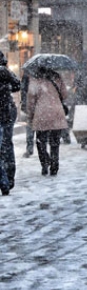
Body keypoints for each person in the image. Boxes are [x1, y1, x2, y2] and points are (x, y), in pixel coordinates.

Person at [26, 67, 69, 176]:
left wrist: (30, 115)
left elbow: (31, 101)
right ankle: (54, 166)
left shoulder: (35, 80)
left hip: (41, 114)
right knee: (55, 142)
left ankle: (45, 164)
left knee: (41, 142)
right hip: (56, 113)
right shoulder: (57, 78)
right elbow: (65, 95)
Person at [0, 52, 21, 195]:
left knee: (5, 145)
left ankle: (4, 180)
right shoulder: (5, 71)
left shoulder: (3, 71)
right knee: (7, 145)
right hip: (7, 111)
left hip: (4, 112)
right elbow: (17, 85)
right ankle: (9, 177)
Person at [19, 73, 35, 158]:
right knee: (31, 128)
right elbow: (23, 91)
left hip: (32, 106)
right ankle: (30, 149)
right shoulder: (42, 74)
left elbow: (23, 90)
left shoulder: (27, 74)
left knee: (30, 129)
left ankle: (29, 149)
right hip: (33, 106)